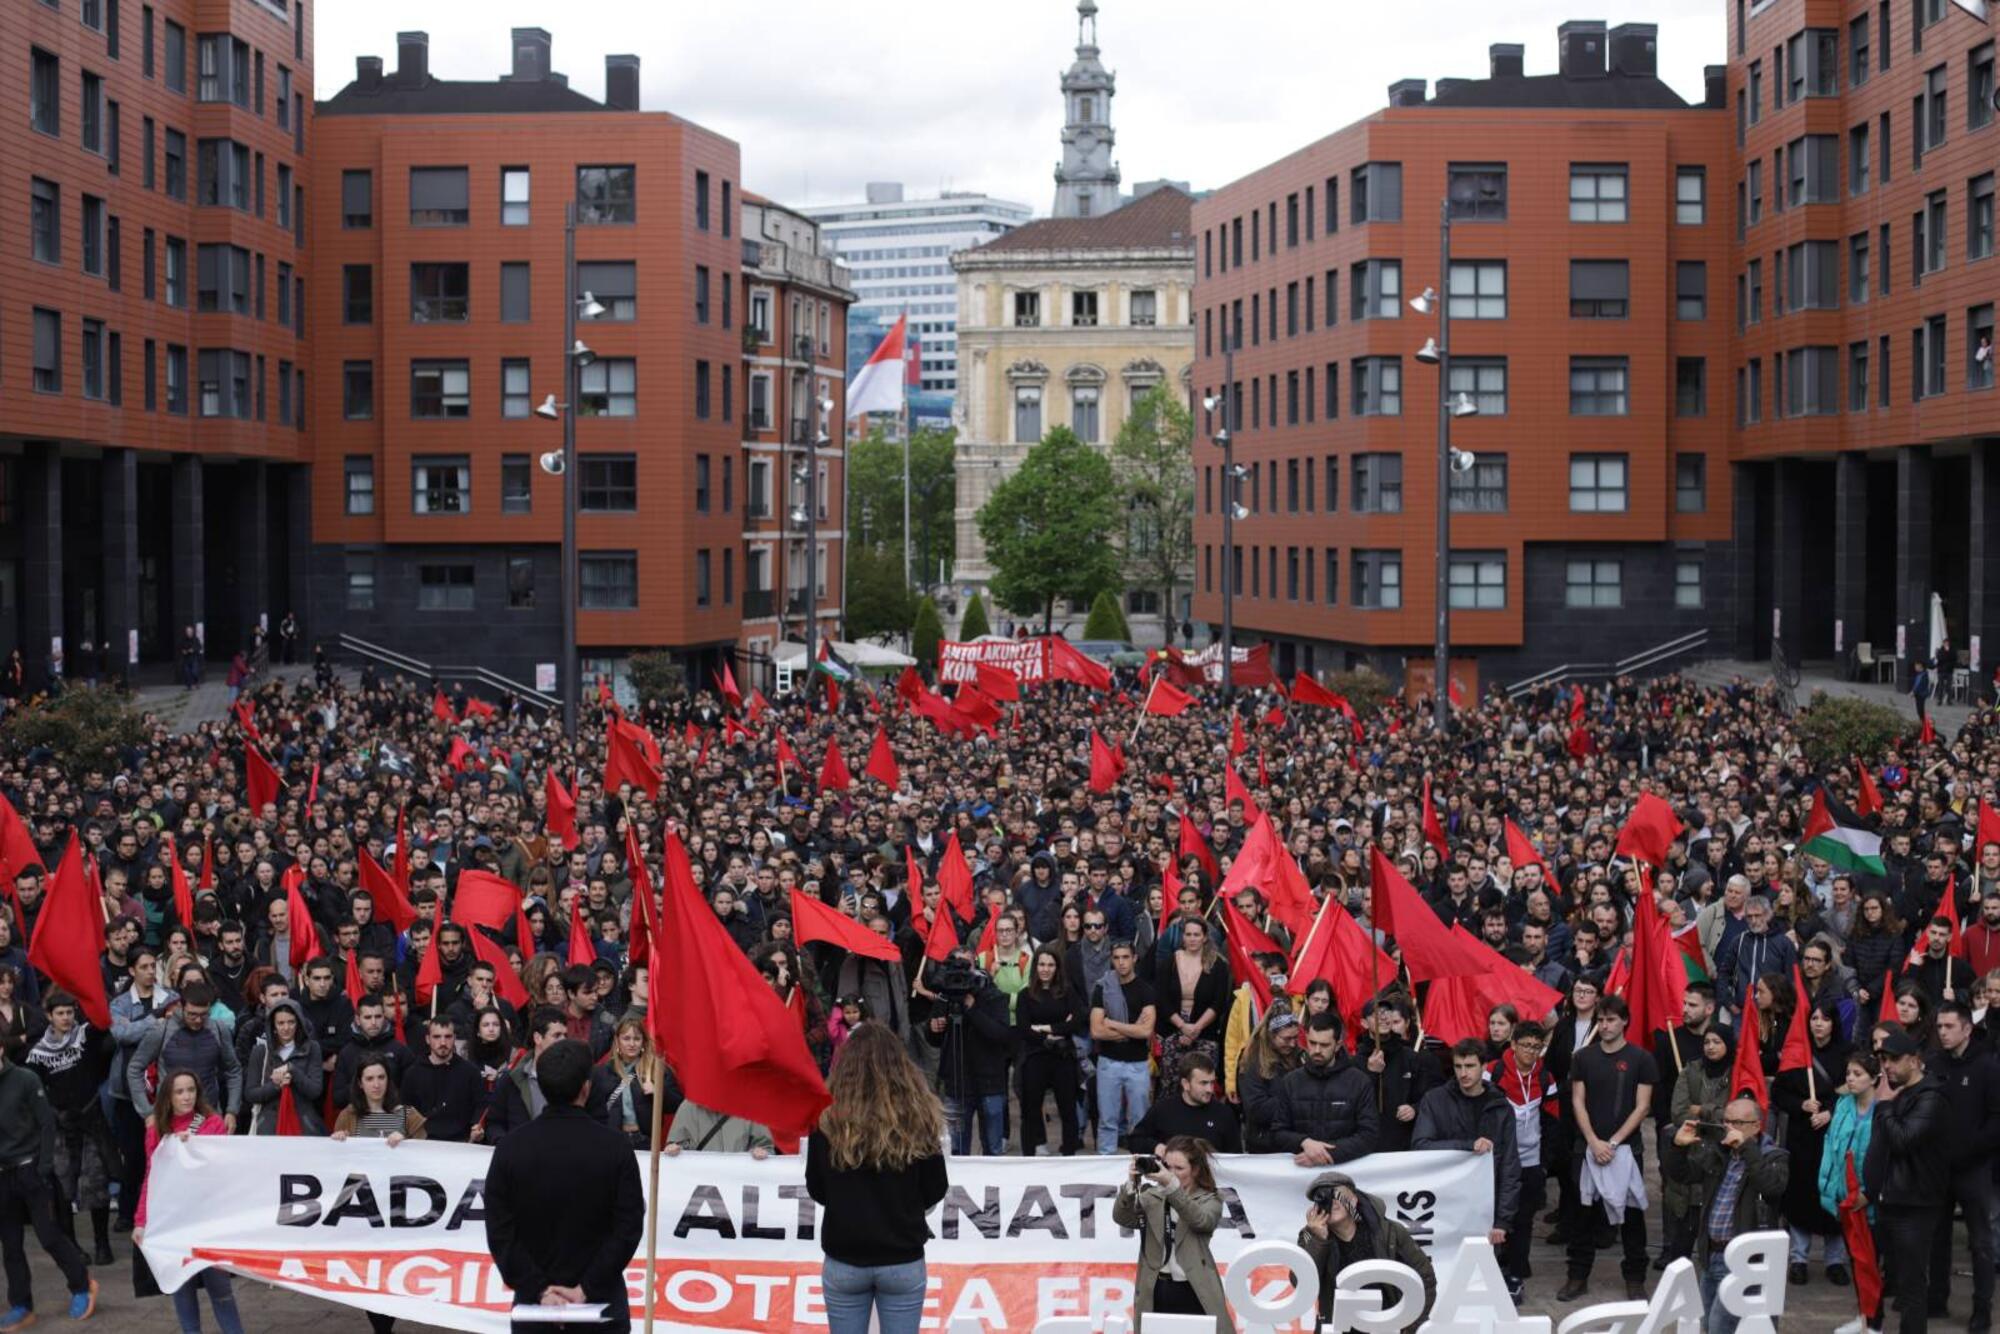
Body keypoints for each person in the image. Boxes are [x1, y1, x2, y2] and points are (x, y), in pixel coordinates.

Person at [485, 1039, 645, 1332]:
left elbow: (499, 1232)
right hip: (597, 1306)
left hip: (541, 1309)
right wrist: (585, 1288)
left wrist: (542, 1290)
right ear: (587, 1087)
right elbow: (628, 1227)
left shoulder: (510, 1148)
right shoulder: (616, 1147)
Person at [806, 1024, 950, 1334]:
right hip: (902, 1257)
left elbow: (817, 1187)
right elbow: (936, 1187)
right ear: (901, 1065)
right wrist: (904, 1206)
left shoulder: (827, 1118)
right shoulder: (918, 1117)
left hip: (845, 1257)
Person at [1560, 994, 1656, 1303]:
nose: (1604, 1025)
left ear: (1624, 1021)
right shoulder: (1583, 1057)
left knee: (1631, 1218)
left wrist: (1613, 1143)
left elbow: (1642, 1107)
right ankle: (1577, 1277)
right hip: (1587, 1147)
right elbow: (1577, 1100)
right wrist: (1592, 1140)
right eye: (1600, 1020)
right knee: (1581, 1216)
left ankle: (1635, 1279)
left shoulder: (1641, 1059)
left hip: (1626, 1150)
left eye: (1611, 1019)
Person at [1664, 1096, 1790, 1334]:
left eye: (1739, 1123)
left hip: (1743, 1262)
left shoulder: (1773, 1155)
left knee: (1720, 1327)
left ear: (1757, 1125)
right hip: (1711, 1255)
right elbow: (1683, 1174)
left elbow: (1772, 1186)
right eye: (1727, 1122)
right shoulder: (1720, 1154)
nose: (1730, 1128)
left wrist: (1745, 1147)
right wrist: (1678, 1148)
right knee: (1709, 1325)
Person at [0, 1029, 97, 1327]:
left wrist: (41, 1168)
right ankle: (21, 1305)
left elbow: (46, 1125)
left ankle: (81, 1285)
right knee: (11, 1244)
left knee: (49, 1235)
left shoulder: (25, 1080)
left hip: (30, 1170)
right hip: (3, 1175)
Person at [20, 991, 117, 1266]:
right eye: (60, 1013)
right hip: (61, 1127)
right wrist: (51, 1114)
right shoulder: (36, 1054)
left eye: (70, 1012)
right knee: (63, 1189)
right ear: (49, 1016)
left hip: (90, 1121)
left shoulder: (86, 1037)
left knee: (97, 1185)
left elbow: (103, 1026)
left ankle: (102, 1243)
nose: (66, 1018)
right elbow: (32, 1089)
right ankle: (72, 1245)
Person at [132, 1071, 232, 1333]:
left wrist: (194, 1146)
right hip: (174, 1221)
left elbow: (222, 1172)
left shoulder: (212, 1124)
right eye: (179, 1091)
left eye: (191, 1090)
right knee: (181, 1288)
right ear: (168, 1096)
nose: (187, 1096)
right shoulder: (157, 1130)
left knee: (220, 1288)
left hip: (208, 1221)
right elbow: (150, 1177)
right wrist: (141, 1221)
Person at [1866, 1028, 1948, 1334]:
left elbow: (1903, 1140)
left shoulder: (1931, 1097)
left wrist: (1884, 1106)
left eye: (1894, 1059)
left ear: (1914, 1061)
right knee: (1875, 1277)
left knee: (1911, 1288)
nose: (1887, 1066)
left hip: (1915, 1206)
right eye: (1883, 1060)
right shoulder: (1897, 1093)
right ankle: (1871, 1327)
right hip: (1887, 1199)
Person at [1926, 1001, 1999, 1329]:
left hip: (1974, 1170)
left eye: (1949, 1026)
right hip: (1939, 1170)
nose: (1942, 1032)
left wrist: (1970, 1151)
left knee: (1981, 1242)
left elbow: (1996, 1120)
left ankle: (1982, 1308)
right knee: (1937, 1238)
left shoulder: (1987, 1067)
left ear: (1967, 1028)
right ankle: (1937, 1298)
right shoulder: (1934, 1064)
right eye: (1939, 1027)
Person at [1413, 1039, 1521, 1254]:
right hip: (1443, 1202)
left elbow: (1509, 1166)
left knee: (1484, 1270)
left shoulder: (1501, 1106)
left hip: (1485, 1204)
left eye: (1470, 1066)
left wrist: (1503, 1220)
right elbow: (1420, 1147)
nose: (1463, 1073)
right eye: (1458, 1066)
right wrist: (1468, 1146)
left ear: (1484, 1066)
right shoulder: (1435, 1100)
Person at [1113, 1135, 1230, 1331]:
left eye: (1179, 1168)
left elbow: (1201, 1221)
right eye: (1168, 1166)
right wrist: (1131, 1185)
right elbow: (1123, 1218)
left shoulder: (1210, 1198)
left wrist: (1172, 1187)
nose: (1171, 1173)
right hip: (1157, 1287)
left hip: (1193, 1287)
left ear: (1196, 1169)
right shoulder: (1153, 1195)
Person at [1297, 1172, 1435, 1329]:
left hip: (1388, 1327)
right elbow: (1300, 1283)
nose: (1332, 1202)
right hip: (1338, 1328)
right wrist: (1318, 1239)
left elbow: (1425, 1278)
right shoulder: (1309, 1235)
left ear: (1354, 1200)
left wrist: (1410, 1326)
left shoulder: (1389, 1231)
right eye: (1324, 1197)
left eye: (1338, 1194)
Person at [1487, 1023, 1556, 1299]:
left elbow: (1552, 1122)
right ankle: (1491, 1266)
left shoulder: (1546, 1078)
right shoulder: (1494, 1071)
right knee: (1493, 1215)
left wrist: (1545, 1163)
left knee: (1524, 1217)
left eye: (1536, 1047)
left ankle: (1516, 1271)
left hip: (1530, 1160)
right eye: (1525, 1045)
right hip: (1496, 1160)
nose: (1530, 1051)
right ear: (1513, 1044)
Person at [924, 950, 1015, 1156]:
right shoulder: (945, 995)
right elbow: (933, 1039)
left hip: (990, 1080)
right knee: (956, 1148)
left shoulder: (993, 994)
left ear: (975, 965)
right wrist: (933, 1028)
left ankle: (993, 1186)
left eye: (966, 965)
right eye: (956, 965)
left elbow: (1001, 1034)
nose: (960, 972)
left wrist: (972, 1009)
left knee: (993, 1147)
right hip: (957, 1081)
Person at [1268, 1011, 1379, 1167]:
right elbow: (1278, 1132)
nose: (1317, 1050)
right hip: (1300, 1171)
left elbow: (1368, 1136)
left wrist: (1324, 1155)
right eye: (1312, 1043)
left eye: (1324, 1045)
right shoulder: (1291, 1082)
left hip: (1346, 1170)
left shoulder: (1359, 1082)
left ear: (1338, 1044)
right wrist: (1304, 1142)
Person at [1821, 1052, 1882, 1334]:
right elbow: (1830, 1146)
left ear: (1874, 1077)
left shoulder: (1883, 1111)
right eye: (1848, 1073)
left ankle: (1875, 1323)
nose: (1851, 1079)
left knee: (1873, 1264)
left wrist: (1870, 1192)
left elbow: (1885, 1159)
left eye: (1858, 1074)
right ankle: (1863, 1317)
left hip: (1871, 1201)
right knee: (1856, 1262)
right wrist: (1828, 1186)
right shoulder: (1843, 1104)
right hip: (1844, 1197)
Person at [1089, 941, 1157, 1156]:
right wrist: (1132, 1029)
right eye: (1117, 958)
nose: (1121, 962)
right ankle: (1105, 1168)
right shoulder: (1103, 987)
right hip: (1109, 1063)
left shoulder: (1146, 990)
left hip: (1137, 1064)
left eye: (1125, 957)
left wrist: (1113, 1023)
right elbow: (1096, 1031)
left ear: (1134, 958)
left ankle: (1140, 1168)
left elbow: (1146, 1032)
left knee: (1139, 1121)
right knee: (1107, 1120)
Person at [1014, 945, 1082, 1156]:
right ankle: (1028, 1159)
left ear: (1057, 967)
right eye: (1042, 964)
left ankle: (1069, 1156)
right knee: (1030, 1111)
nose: (1046, 969)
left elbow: (1078, 1020)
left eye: (1051, 965)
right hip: (1035, 1057)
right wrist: (1052, 1035)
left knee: (1068, 1110)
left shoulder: (1068, 992)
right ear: (1036, 967)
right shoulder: (1026, 995)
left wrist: (1046, 1028)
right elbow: (1024, 1029)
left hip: (1062, 1057)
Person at [241, 996, 325, 1137]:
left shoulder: (312, 1048)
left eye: (291, 1022)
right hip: (269, 1127)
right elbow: (250, 1094)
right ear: (273, 1025)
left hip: (302, 1125)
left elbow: (315, 1090)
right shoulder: (260, 1051)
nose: (286, 1028)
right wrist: (275, 1085)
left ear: (299, 1023)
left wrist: (292, 1070)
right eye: (280, 1023)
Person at [1130, 1052, 1242, 1154]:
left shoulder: (1224, 1114)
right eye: (1203, 1083)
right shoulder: (1163, 1110)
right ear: (1185, 1084)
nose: (1210, 1089)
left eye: (1212, 1082)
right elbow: (1135, 1140)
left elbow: (1236, 1158)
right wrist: (1156, 1147)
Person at [400, 1016, 486, 1144]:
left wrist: (476, 1128)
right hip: (423, 1145)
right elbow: (405, 1111)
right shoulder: (413, 1073)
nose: (443, 1042)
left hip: (462, 1144)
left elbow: (480, 1106)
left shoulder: (470, 1072)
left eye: (448, 1036)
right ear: (427, 1039)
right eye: (437, 1037)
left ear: (454, 1038)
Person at [1236, 1008, 1301, 1153]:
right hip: (1265, 1144)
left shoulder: (1300, 1057)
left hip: (1295, 1142)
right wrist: (1295, 1100)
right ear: (1271, 1035)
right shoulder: (1251, 1063)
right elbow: (1256, 1109)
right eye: (1286, 1039)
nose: (1292, 1044)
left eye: (1295, 1037)